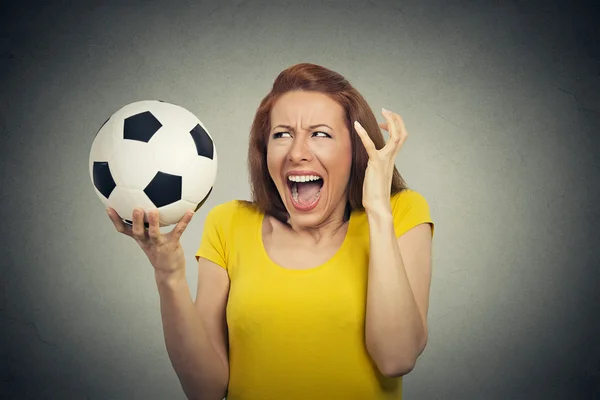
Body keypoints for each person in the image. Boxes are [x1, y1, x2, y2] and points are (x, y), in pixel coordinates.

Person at [107, 63, 434, 400]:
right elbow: (205, 390)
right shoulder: (229, 223)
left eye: (320, 134)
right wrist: (169, 274)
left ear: (356, 150)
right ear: (264, 152)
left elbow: (397, 357)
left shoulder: (401, 213)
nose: (296, 153)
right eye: (282, 134)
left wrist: (378, 207)